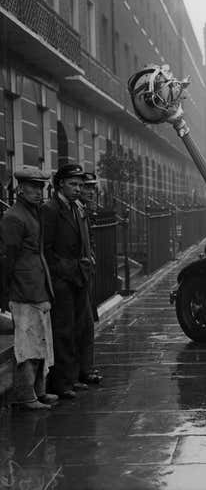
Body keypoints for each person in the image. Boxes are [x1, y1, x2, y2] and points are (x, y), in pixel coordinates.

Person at [0, 166, 58, 409]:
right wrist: (5, 291)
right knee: (27, 344)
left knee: (41, 341)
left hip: (37, 285)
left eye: (41, 187)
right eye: (32, 187)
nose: (38, 192)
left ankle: (38, 391)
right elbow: (6, 257)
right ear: (21, 189)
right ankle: (25, 397)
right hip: (23, 289)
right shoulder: (14, 217)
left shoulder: (32, 213)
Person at [42, 164, 93, 399]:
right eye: (73, 184)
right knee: (63, 331)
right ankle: (61, 383)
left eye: (80, 185)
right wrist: (63, 270)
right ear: (60, 183)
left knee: (78, 328)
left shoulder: (76, 207)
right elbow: (47, 249)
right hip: (62, 279)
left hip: (78, 276)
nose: (78, 188)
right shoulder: (51, 209)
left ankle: (73, 377)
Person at [76, 171, 102, 384]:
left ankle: (87, 368)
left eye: (92, 188)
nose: (90, 192)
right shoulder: (76, 210)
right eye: (86, 188)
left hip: (86, 274)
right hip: (76, 275)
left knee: (88, 324)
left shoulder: (86, 211)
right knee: (80, 324)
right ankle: (81, 370)